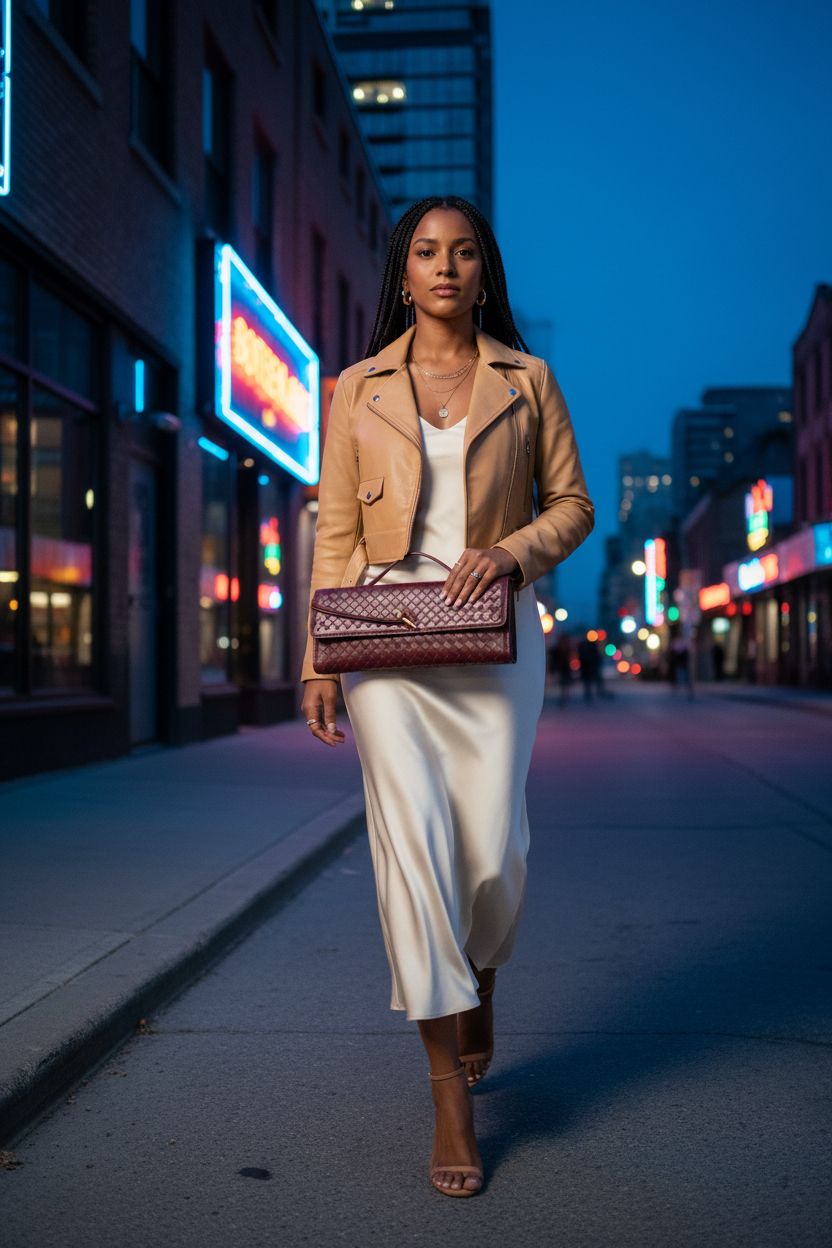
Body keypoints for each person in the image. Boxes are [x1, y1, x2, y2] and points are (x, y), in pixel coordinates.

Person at [299, 196, 595, 1197]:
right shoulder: (356, 389)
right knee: (413, 849)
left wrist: (510, 555)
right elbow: (334, 527)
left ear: (483, 272)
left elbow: (573, 505)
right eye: (426, 251)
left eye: (463, 252)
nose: (444, 267)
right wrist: (318, 660)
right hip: (384, 636)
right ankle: (447, 1095)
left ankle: (480, 984)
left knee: (492, 855)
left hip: (494, 642)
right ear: (403, 269)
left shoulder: (527, 379)